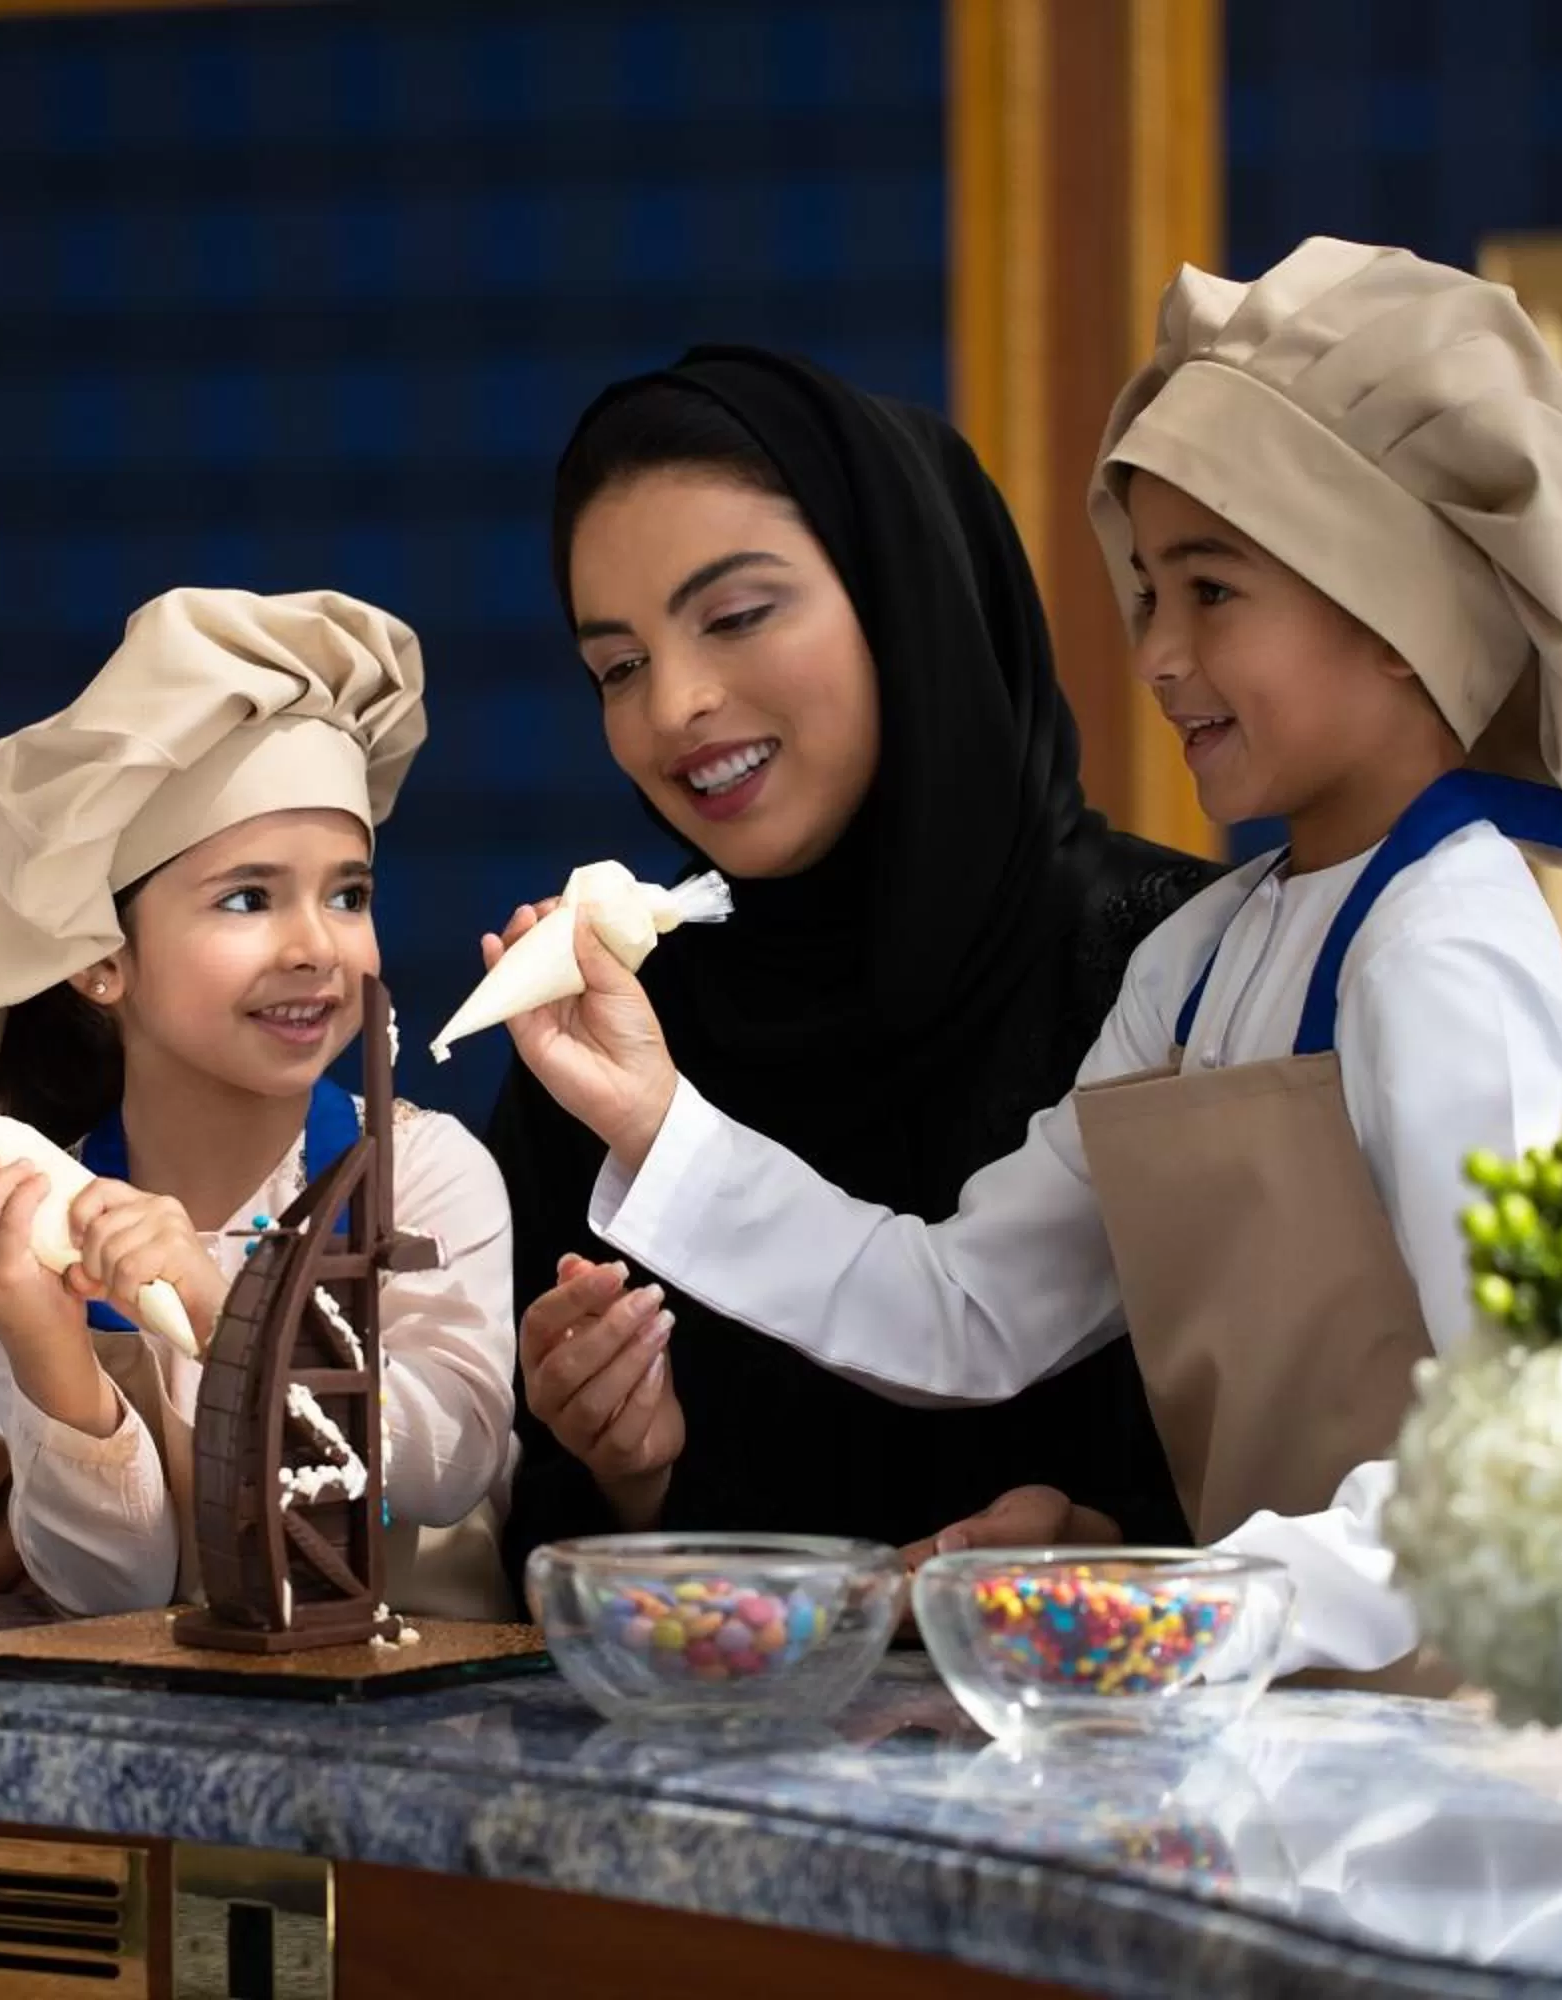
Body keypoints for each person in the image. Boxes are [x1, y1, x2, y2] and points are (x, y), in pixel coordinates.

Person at [495, 244, 1562, 1677]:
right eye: (1148, 593)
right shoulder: (1201, 952)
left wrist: (1174, 1600)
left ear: (1400, 610)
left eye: (1211, 591)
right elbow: (965, 1308)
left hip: (1467, 1752)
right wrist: (655, 1118)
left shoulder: (1448, 955)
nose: (1158, 655)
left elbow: (1543, 1456)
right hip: (1282, 1719)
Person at [492, 346, 1216, 1589]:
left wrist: (1123, 1545)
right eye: (617, 665)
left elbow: (1326, 1452)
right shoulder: (615, 1023)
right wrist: (631, 1472)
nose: (674, 705)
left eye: (735, 614)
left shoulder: (1176, 961)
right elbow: (528, 1548)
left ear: (905, 598)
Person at [0, 587, 516, 1618]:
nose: (317, 944)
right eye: (248, 897)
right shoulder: (37, 1228)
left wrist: (228, 1308)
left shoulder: (428, 1173)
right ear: (102, 960)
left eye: (349, 894)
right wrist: (44, 1339)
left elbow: (446, 1459)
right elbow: (110, 1589)